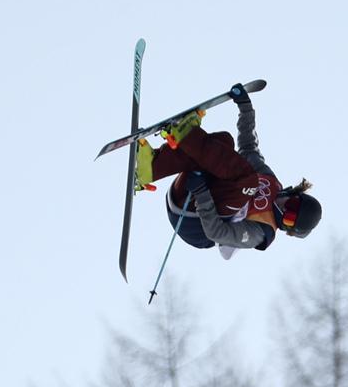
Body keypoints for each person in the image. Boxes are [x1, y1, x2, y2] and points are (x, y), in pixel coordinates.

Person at [134, 84, 322, 259]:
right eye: (293, 204)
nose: (285, 208)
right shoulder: (270, 182)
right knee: (225, 142)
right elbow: (249, 148)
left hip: (194, 223)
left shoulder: (261, 232)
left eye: (288, 218)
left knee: (248, 182)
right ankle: (151, 168)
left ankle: (187, 134)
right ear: (295, 194)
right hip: (187, 194)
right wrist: (246, 109)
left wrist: (202, 193)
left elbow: (217, 232)